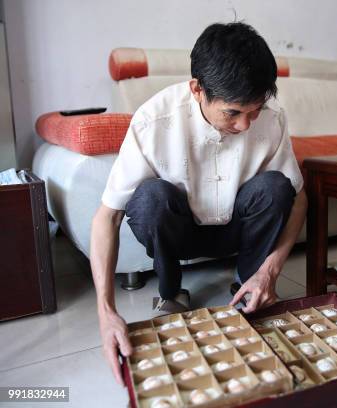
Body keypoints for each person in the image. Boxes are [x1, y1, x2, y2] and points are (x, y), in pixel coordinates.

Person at [90, 22, 307, 385]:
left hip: (238, 228)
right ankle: (171, 292)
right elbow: (106, 218)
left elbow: (299, 201)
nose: (243, 126)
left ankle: (246, 286)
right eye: (232, 113)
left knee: (277, 187)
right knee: (150, 198)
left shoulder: (271, 118)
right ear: (197, 90)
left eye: (253, 112)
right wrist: (105, 311)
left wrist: (269, 272)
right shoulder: (153, 119)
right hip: (180, 232)